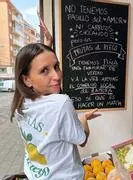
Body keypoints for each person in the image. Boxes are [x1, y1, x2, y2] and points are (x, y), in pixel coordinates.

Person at [10, 42, 101, 179]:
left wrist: (47, 43)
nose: (57, 76)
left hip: (35, 174)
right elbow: (82, 140)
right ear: (27, 79)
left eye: (56, 67)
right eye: (44, 71)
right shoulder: (61, 103)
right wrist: (83, 120)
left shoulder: (20, 104)